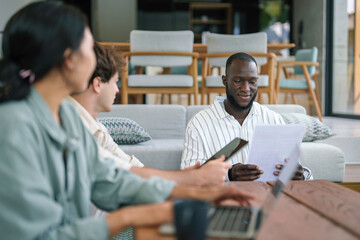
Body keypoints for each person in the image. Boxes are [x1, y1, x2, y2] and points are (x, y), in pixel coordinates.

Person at [0, 3, 253, 239]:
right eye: (90, 47)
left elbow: (110, 180)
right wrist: (130, 217)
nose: (95, 59)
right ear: (69, 59)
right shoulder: (13, 128)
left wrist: (196, 191)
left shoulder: (66, 116)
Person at [67, 42, 230, 188]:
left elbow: (131, 166)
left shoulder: (97, 128)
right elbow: (125, 173)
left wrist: (187, 177)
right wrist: (192, 178)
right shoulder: (73, 127)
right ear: (97, 84)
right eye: (115, 82)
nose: (118, 90)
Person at [181, 52, 312, 181]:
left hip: (266, 196)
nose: (246, 88)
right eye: (238, 81)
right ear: (225, 81)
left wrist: (300, 175)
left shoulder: (273, 120)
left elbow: (296, 169)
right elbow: (187, 177)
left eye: (252, 81)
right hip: (224, 198)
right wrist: (229, 175)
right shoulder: (199, 124)